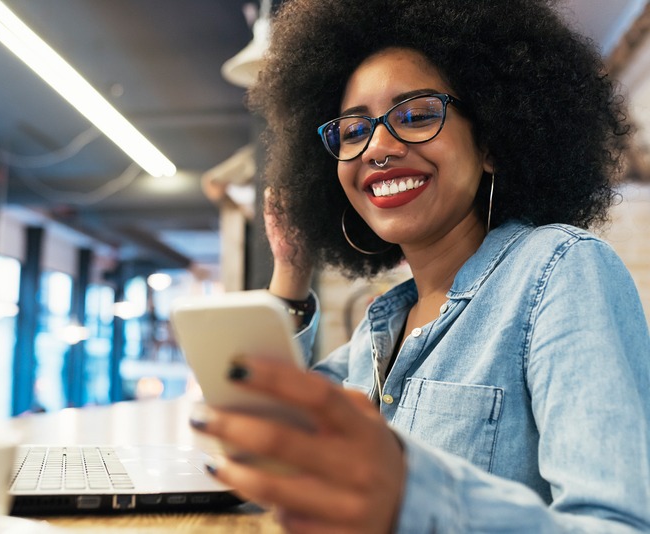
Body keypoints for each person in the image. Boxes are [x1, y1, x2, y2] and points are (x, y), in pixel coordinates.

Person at [189, 0, 650, 532]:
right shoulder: (378, 331)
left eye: (416, 115)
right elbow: (272, 431)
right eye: (353, 130)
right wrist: (290, 271)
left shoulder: (562, 272)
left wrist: (409, 495)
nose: (378, 148)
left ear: (492, 143)